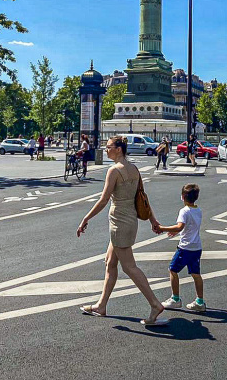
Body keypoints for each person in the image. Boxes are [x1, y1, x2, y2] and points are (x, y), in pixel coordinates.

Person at [76, 136, 166, 325]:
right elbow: (142, 197)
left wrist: (86, 218)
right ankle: (101, 306)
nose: (106, 150)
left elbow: (103, 200)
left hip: (119, 224)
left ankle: (155, 304)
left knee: (129, 267)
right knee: (110, 262)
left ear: (118, 149)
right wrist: (153, 221)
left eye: (108, 147)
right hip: (129, 221)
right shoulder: (134, 168)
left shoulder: (114, 171)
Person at [155, 183, 206, 312]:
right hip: (196, 247)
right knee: (196, 274)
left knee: (173, 270)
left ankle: (175, 299)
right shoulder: (198, 210)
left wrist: (162, 228)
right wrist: (177, 231)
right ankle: (200, 301)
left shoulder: (184, 211)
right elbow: (189, 226)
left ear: (183, 196)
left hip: (185, 248)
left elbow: (180, 226)